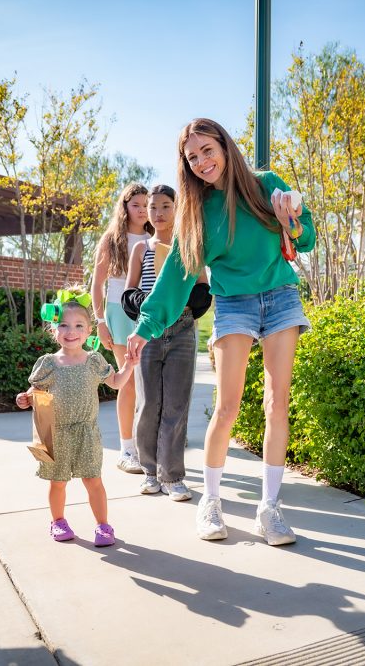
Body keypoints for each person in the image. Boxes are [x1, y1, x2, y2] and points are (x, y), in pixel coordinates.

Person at [126, 118, 315, 546]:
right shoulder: (197, 212)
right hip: (235, 304)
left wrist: (294, 221)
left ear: (225, 147)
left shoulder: (266, 185)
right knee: (228, 406)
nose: (202, 162)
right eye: (192, 157)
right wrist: (146, 326)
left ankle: (270, 509)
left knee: (276, 403)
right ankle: (210, 503)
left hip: (281, 297)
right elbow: (176, 274)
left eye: (207, 150)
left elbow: (307, 242)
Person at [16, 287, 135, 546]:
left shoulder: (93, 361)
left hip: (86, 432)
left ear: (88, 330)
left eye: (79, 325)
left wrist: (129, 366)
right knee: (57, 482)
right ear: (53, 329)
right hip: (55, 434)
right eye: (64, 325)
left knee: (93, 479)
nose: (71, 331)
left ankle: (103, 526)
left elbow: (115, 382)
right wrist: (24, 399)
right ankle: (58, 521)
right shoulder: (48, 362)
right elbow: (35, 390)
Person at [123, 184, 209, 501]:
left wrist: (186, 301)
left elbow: (203, 288)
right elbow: (129, 291)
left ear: (177, 209)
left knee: (176, 404)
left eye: (165, 206)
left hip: (184, 329)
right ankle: (149, 472)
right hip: (148, 332)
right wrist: (147, 304)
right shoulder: (141, 249)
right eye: (152, 207)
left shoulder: (189, 247)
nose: (157, 213)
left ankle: (172, 476)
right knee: (148, 404)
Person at [91, 183, 152, 474]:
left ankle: (147, 447)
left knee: (149, 384)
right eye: (136, 204)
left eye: (146, 204)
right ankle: (127, 449)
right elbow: (97, 283)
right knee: (127, 381)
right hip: (118, 313)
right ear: (125, 206)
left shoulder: (156, 237)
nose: (142, 210)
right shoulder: (112, 239)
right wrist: (100, 321)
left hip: (150, 314)